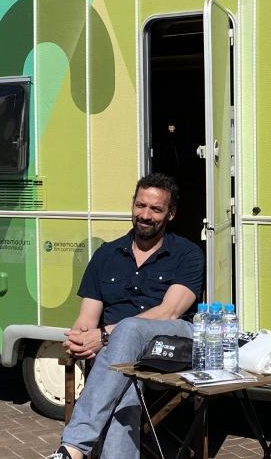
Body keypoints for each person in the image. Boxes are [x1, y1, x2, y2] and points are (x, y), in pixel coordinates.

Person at [50, 173, 205, 459]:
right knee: (125, 388)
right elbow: (86, 320)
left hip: (170, 344)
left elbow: (169, 312)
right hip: (119, 356)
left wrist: (106, 336)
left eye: (155, 209)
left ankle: (72, 446)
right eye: (140, 206)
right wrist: (80, 338)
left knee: (131, 329)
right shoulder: (106, 255)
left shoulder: (188, 254)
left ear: (171, 214)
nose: (145, 215)